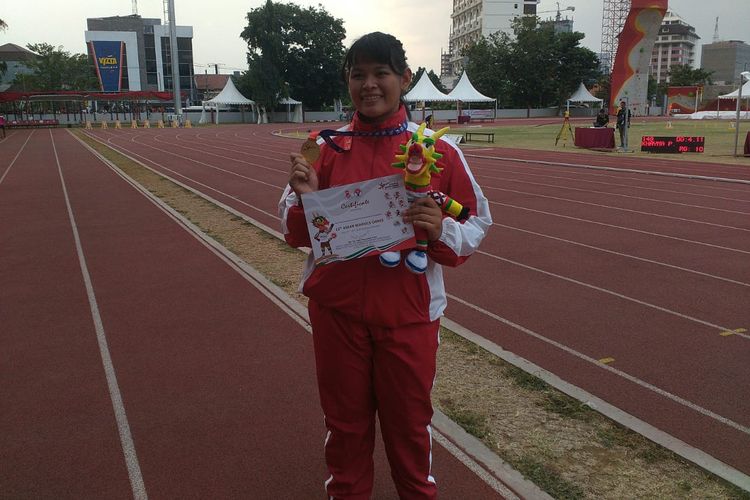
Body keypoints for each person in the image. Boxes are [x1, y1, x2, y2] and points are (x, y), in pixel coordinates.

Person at [279, 32, 491, 499]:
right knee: (345, 426)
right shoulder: (322, 147)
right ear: (347, 82)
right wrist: (305, 198)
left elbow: (476, 226)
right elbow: (293, 231)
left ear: (405, 79)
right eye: (359, 75)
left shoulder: (437, 149)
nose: (369, 84)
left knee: (410, 428)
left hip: (409, 315)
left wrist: (439, 230)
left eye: (381, 73)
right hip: (339, 314)